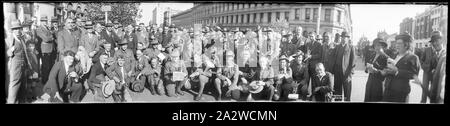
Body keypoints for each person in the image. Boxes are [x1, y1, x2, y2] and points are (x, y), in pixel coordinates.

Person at [381, 34, 420, 103]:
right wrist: (385, 71)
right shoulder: (393, 55)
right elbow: (389, 68)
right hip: (388, 89)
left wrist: (397, 72)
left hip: (401, 92)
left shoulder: (413, 57)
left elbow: (414, 74)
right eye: (396, 43)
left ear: (406, 45)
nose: (397, 45)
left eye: (399, 43)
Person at [7, 20, 30, 104]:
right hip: (15, 65)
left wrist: (27, 64)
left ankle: (22, 101)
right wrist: (10, 50)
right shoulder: (10, 39)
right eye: (15, 29)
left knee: (23, 84)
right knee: (14, 84)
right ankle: (11, 102)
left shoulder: (21, 38)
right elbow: (8, 53)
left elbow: (25, 52)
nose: (17, 31)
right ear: (12, 30)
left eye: (19, 29)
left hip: (23, 65)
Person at [332, 31, 355, 101]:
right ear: (340, 38)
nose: (344, 39)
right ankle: (338, 101)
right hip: (337, 72)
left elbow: (353, 61)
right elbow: (334, 58)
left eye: (346, 37)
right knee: (337, 92)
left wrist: (350, 73)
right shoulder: (337, 47)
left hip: (346, 73)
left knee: (347, 92)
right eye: (342, 37)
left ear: (348, 39)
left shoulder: (351, 47)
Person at [424, 31, 445, 103]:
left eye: (436, 41)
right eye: (433, 42)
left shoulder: (444, 55)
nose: (434, 43)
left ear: (442, 40)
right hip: (434, 89)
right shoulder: (434, 55)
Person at [37, 16, 56, 84]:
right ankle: (44, 81)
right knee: (45, 67)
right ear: (41, 21)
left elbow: (48, 38)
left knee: (50, 66)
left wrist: (49, 37)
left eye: (46, 21)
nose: (45, 22)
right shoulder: (39, 29)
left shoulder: (47, 28)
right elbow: (45, 39)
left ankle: (49, 80)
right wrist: (51, 38)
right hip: (45, 50)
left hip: (50, 49)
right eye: (43, 21)